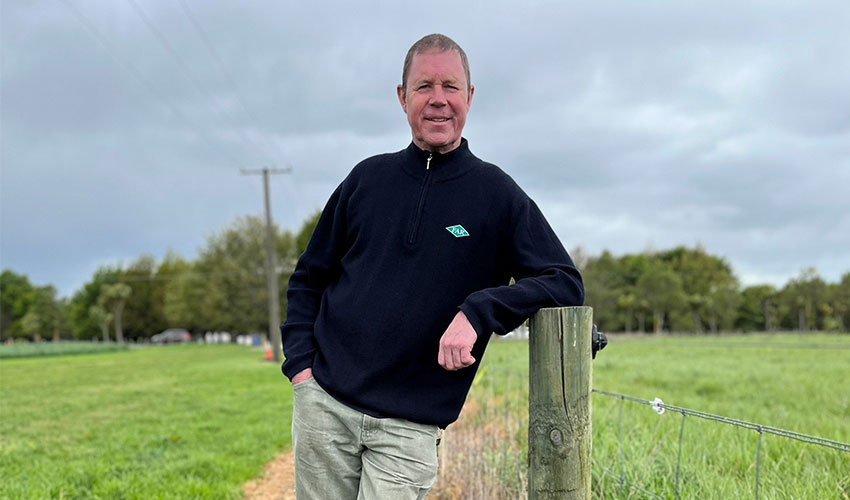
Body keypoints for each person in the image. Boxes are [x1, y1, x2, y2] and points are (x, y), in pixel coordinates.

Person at [281, 33, 584, 500]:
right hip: (325, 408)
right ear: (402, 98)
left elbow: (564, 283)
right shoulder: (366, 179)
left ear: (470, 97)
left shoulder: (496, 195)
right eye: (424, 87)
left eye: (450, 86)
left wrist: (479, 311)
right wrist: (301, 368)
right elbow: (309, 277)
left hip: (408, 429)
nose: (438, 99)